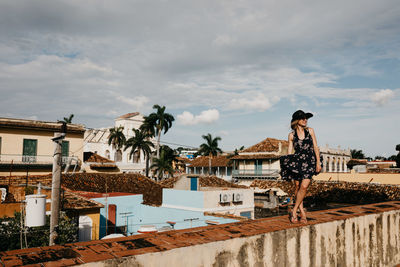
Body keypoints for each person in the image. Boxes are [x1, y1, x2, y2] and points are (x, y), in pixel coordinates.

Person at [280, 110, 321, 223]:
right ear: (297, 121)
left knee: (304, 186)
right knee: (297, 187)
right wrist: (288, 165)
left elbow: (316, 147)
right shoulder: (291, 135)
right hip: (296, 163)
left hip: (309, 161)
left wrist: (318, 162)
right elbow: (289, 151)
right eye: (302, 118)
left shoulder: (310, 131)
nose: (305, 120)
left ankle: (294, 211)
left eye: (306, 118)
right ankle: (302, 211)